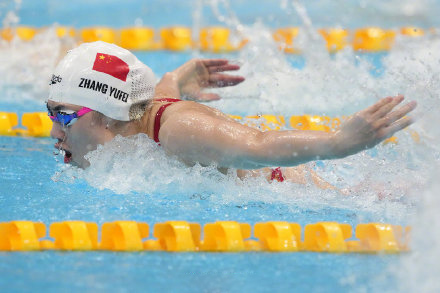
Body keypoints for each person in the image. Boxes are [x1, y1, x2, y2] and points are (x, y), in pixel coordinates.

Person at [47, 41, 417, 187]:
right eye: (51, 115)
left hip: (308, 194)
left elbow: (259, 144)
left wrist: (339, 143)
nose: (54, 132)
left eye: (64, 116)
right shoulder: (136, 120)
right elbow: (160, 93)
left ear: (109, 113)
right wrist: (177, 78)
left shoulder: (178, 131)